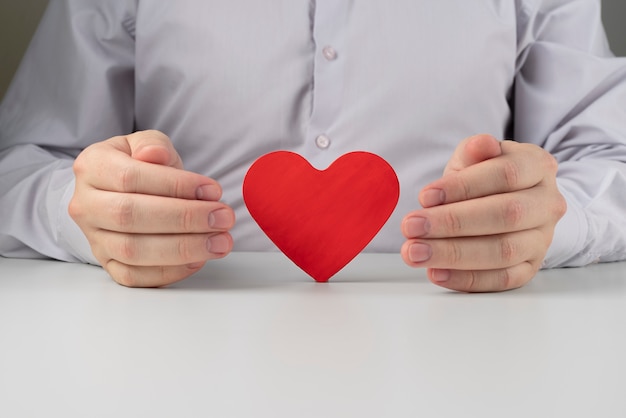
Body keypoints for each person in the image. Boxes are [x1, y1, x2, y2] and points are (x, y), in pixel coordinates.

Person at [1, 1, 625, 292]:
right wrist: (85, 211)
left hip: (482, 351)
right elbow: (18, 168)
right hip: (166, 350)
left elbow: (611, 163)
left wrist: (547, 221)